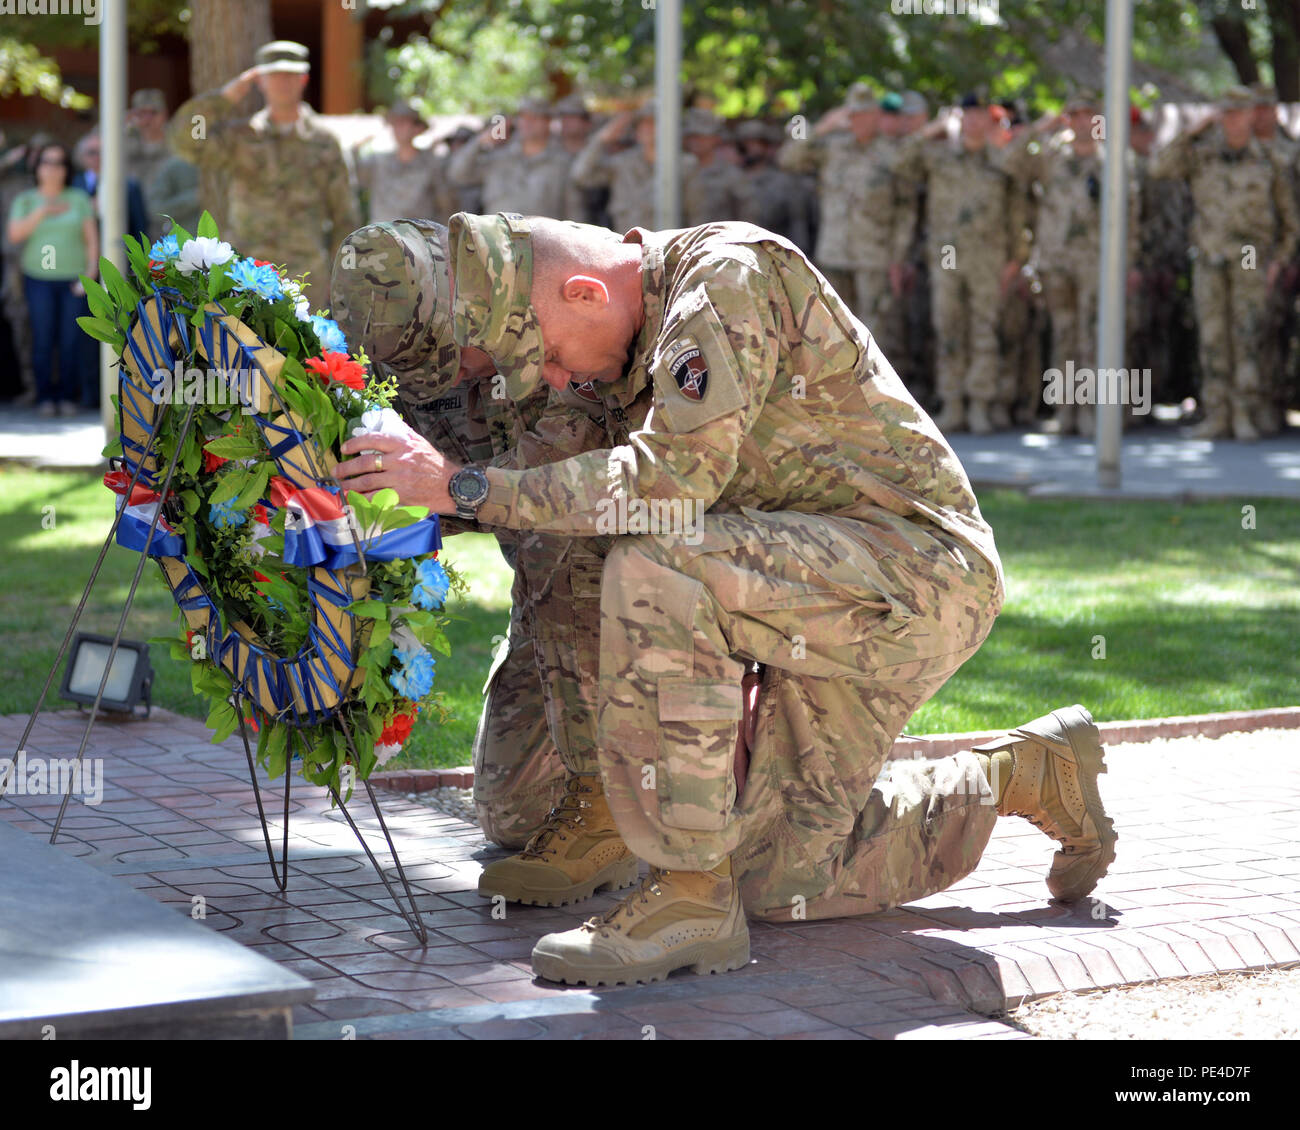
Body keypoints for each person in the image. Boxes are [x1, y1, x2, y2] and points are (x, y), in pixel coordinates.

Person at [333, 211, 1117, 987]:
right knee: (783, 883)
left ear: (583, 293)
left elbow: (666, 487)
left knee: (659, 555)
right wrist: (387, 492)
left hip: (912, 576)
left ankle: (686, 894)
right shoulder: (609, 340)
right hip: (787, 594)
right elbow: (547, 485)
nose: (561, 382)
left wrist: (462, 485)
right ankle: (1019, 774)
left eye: (554, 362)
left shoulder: (729, 277)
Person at [1150, 86, 1299, 440]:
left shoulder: (1269, 159)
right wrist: (1192, 132)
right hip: (1209, 252)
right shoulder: (1203, 155)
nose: (1232, 120)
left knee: (1246, 331)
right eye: (1226, 113)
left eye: (1239, 112)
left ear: (1250, 115)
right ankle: (1218, 414)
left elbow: (1289, 219)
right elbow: (1160, 168)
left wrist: (1278, 260)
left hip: (1249, 253)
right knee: (1214, 335)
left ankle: (1245, 412)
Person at [167, 40, 360, 296]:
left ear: (303, 79)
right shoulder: (240, 137)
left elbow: (345, 215)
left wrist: (341, 276)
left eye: (290, 75)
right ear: (260, 81)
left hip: (306, 276)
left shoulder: (324, 142)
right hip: (246, 272)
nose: (283, 83)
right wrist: (225, 98)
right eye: (275, 75)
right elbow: (184, 140)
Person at [5, 141, 98, 416]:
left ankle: (68, 396)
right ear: (38, 167)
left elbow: (92, 239)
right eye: (47, 162)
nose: (53, 168)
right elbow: (14, 235)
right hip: (38, 279)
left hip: (73, 279)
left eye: (59, 163)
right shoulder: (26, 200)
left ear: (66, 168)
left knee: (70, 340)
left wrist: (91, 274)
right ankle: (45, 396)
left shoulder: (78, 199)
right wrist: (43, 211)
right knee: (43, 339)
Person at [448, 97, 571, 219]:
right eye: (523, 117)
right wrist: (479, 142)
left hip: (542, 237)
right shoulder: (497, 159)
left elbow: (573, 209)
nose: (528, 122)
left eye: (535, 117)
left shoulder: (562, 163)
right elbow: (457, 174)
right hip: (496, 237)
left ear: (548, 122)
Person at [353, 99, 442, 224]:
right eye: (395, 123)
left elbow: (444, 204)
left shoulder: (431, 164)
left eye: (404, 123)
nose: (398, 128)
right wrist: (355, 150)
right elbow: (356, 178)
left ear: (417, 128)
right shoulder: (377, 162)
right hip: (381, 237)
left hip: (418, 238)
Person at [124, 88, 173, 240]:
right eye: (141, 114)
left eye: (153, 113)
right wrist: (121, 125)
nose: (147, 119)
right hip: (132, 218)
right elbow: (84, 154)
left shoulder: (176, 142)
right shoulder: (125, 140)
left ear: (164, 114)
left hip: (166, 220)